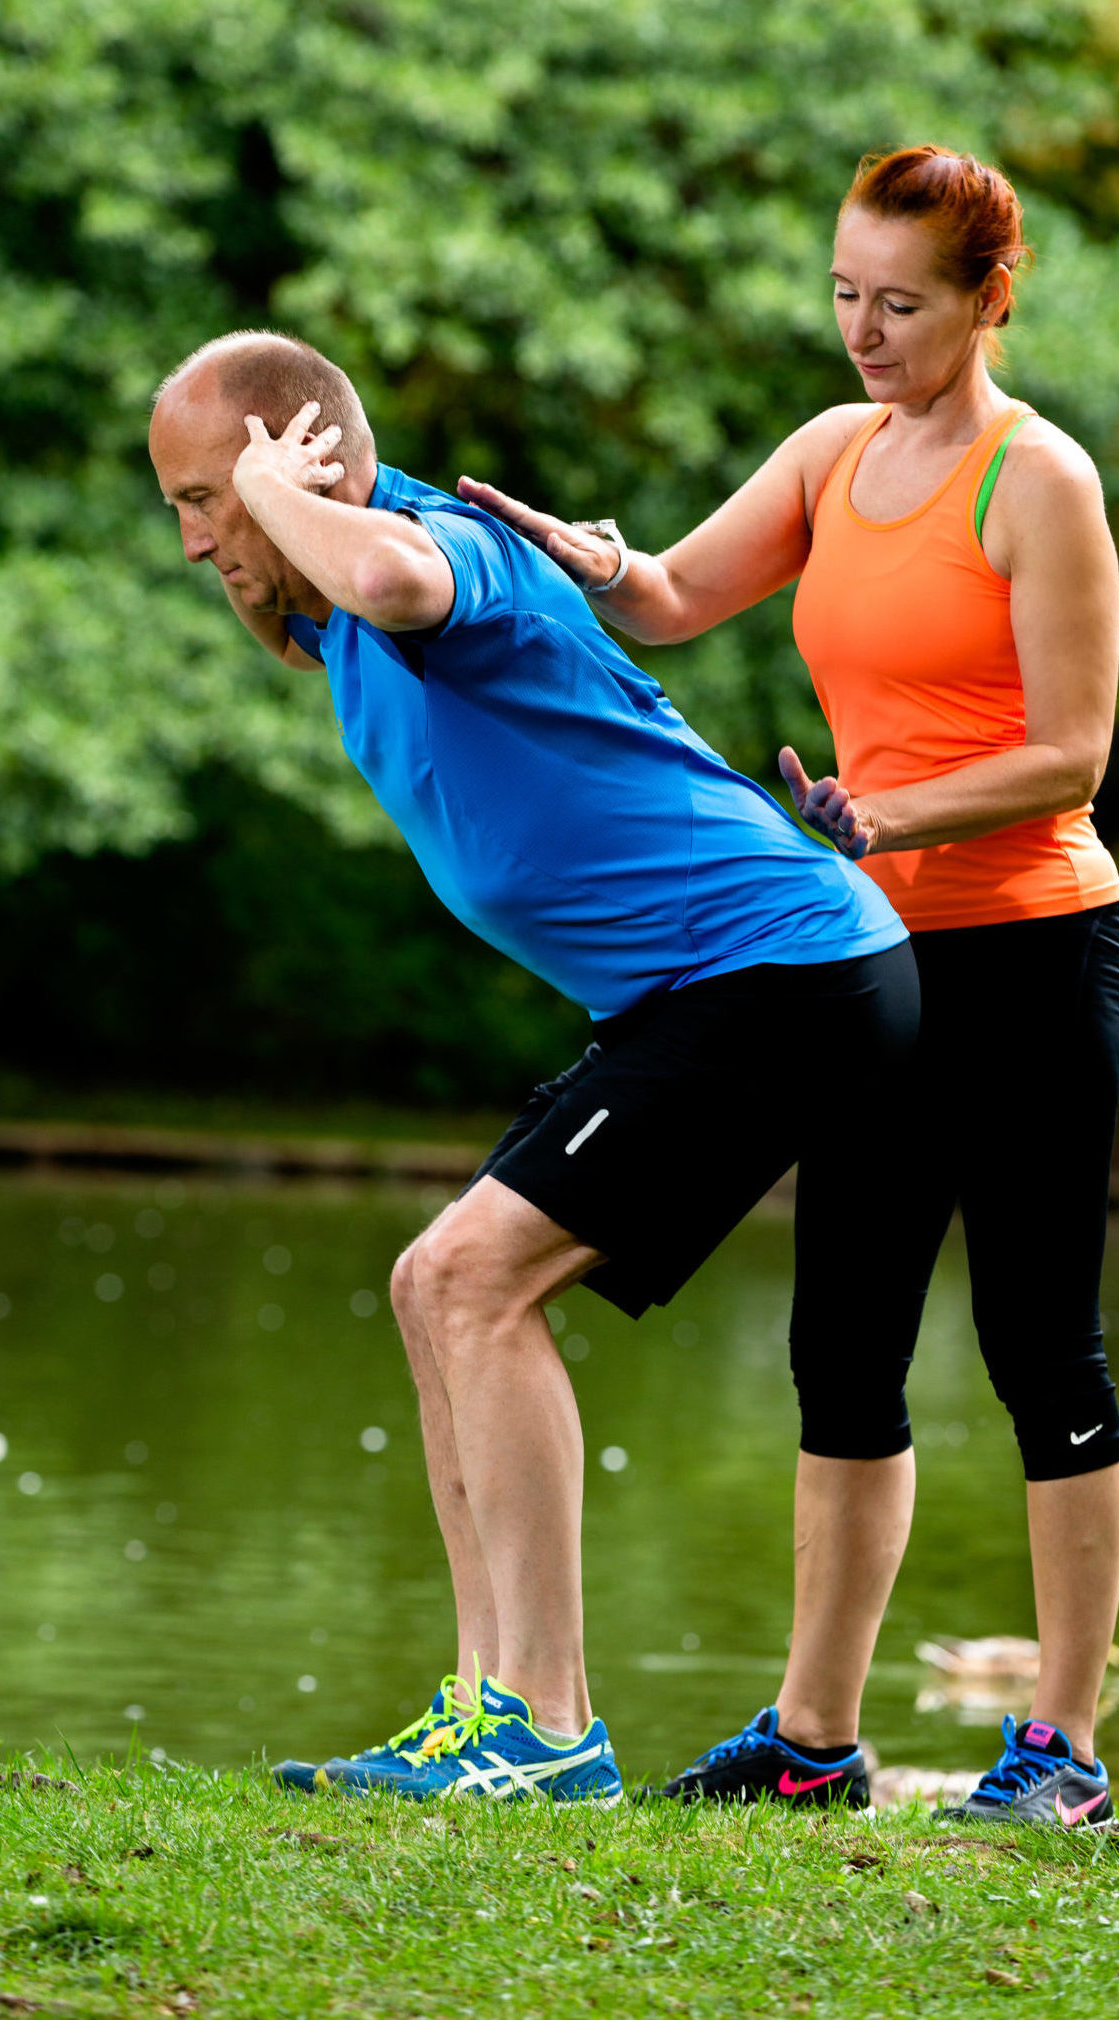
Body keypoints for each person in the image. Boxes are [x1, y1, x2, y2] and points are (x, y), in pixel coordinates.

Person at [148, 329, 917, 1805]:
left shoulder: (443, 548)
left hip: (783, 967)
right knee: (429, 1289)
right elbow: (327, 602)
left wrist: (274, 490)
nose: (194, 541)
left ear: (294, 455)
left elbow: (384, 572)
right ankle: (487, 1706)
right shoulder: (338, 620)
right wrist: (265, 530)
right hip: (717, 985)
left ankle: (547, 1730)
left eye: (204, 496)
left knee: (465, 1282)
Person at [459, 145, 1119, 1827]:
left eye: (899, 304)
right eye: (844, 294)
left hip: (1037, 948)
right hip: (881, 962)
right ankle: (813, 1739)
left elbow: (1073, 753)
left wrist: (881, 809)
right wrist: (584, 560)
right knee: (845, 1342)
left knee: (1040, 1341)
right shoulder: (835, 456)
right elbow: (683, 596)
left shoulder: (1036, 481)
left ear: (987, 300)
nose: (863, 332)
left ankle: (1061, 1750)